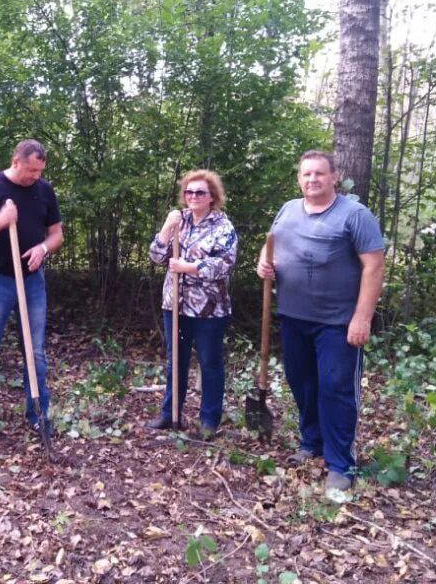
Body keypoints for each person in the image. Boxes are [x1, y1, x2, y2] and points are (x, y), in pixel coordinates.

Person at [256, 150, 385, 496]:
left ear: (334, 177)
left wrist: (362, 317)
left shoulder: (355, 215)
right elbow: (270, 247)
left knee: (335, 388)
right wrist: (263, 266)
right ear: (299, 178)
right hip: (293, 316)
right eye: (306, 174)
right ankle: (310, 442)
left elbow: (374, 266)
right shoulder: (288, 210)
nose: (312, 179)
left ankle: (341, 463)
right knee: (303, 384)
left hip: (338, 323)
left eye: (319, 174)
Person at [0, 140, 63, 437]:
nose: (35, 177)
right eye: (31, 170)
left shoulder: (44, 190)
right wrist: (1, 221)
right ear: (15, 161)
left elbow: (56, 234)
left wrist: (44, 248)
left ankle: (38, 413)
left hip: (32, 282)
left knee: (36, 351)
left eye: (40, 171)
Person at [147, 170, 238, 440]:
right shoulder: (178, 220)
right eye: (189, 192)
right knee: (176, 359)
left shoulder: (223, 226)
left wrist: (189, 267)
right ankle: (170, 413)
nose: (193, 197)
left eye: (200, 192)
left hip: (209, 310)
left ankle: (209, 419)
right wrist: (165, 228)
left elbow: (225, 264)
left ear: (212, 197)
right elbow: (156, 256)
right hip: (175, 305)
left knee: (210, 363)